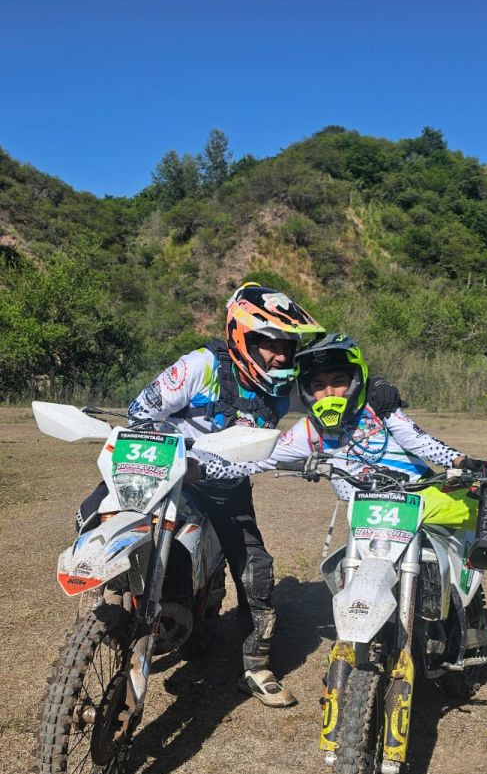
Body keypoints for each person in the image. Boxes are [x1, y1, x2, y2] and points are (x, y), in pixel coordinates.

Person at [111, 290, 402, 707]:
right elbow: (141, 410)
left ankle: (255, 665)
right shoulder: (201, 367)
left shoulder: (286, 383)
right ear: (242, 336)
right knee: (98, 516)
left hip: (228, 488)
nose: (282, 357)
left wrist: (377, 385)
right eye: (272, 344)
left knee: (256, 570)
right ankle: (111, 614)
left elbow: (335, 386)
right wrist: (180, 449)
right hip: (165, 477)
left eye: (288, 346)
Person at [200, 334, 487, 608]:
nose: (329, 392)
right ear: (306, 391)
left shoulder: (380, 412)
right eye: (318, 385)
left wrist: (462, 463)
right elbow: (260, 458)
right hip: (370, 518)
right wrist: (197, 466)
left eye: (338, 381)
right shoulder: (308, 433)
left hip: (426, 497)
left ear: (356, 380)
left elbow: (421, 441)